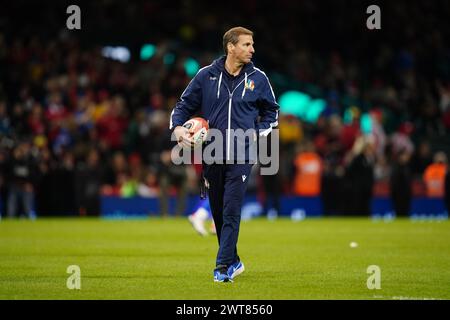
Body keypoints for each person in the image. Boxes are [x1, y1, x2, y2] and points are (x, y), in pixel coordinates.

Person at [170, 27, 279, 282]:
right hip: (212, 152)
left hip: (242, 154)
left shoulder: (259, 78)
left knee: (231, 210)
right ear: (231, 47)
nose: (252, 49)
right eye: (247, 44)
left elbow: (272, 113)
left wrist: (258, 132)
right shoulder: (205, 76)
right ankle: (235, 261)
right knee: (218, 212)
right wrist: (177, 129)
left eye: (252, 44)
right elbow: (183, 105)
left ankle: (221, 268)